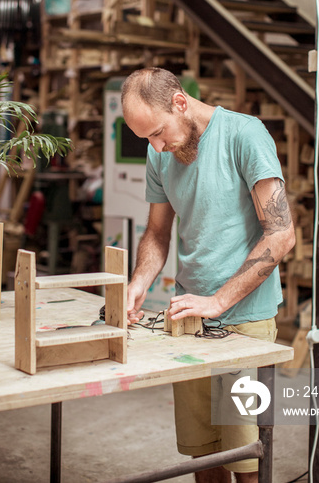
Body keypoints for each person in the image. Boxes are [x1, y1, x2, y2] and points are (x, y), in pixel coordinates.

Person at [122, 67, 295, 483]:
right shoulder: (158, 152)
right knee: (204, 461)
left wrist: (219, 301)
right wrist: (138, 283)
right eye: (147, 138)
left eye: (159, 132)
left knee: (246, 462)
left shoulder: (244, 135)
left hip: (243, 324)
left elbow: (282, 233)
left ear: (180, 102)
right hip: (189, 321)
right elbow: (157, 234)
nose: (157, 146)